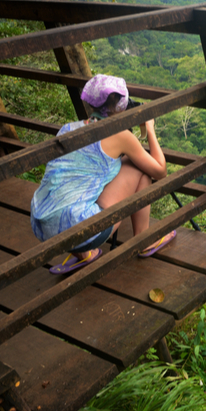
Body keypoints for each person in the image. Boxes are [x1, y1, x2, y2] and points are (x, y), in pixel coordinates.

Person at [31, 74, 176, 274]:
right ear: (120, 106)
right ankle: (144, 239)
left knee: (80, 186)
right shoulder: (120, 135)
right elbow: (160, 171)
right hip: (84, 232)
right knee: (139, 168)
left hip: (43, 226)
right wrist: (150, 128)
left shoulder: (68, 129)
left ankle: (83, 255)